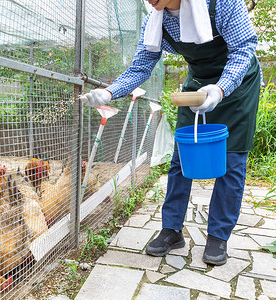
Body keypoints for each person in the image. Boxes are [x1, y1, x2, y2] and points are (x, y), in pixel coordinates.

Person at [80, 0, 261, 266]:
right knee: (181, 159)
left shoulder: (222, 3)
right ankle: (172, 230)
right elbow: (141, 67)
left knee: (231, 160)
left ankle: (218, 235)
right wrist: (109, 92)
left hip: (238, 87)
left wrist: (220, 89)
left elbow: (244, 50)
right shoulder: (156, 19)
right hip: (197, 85)